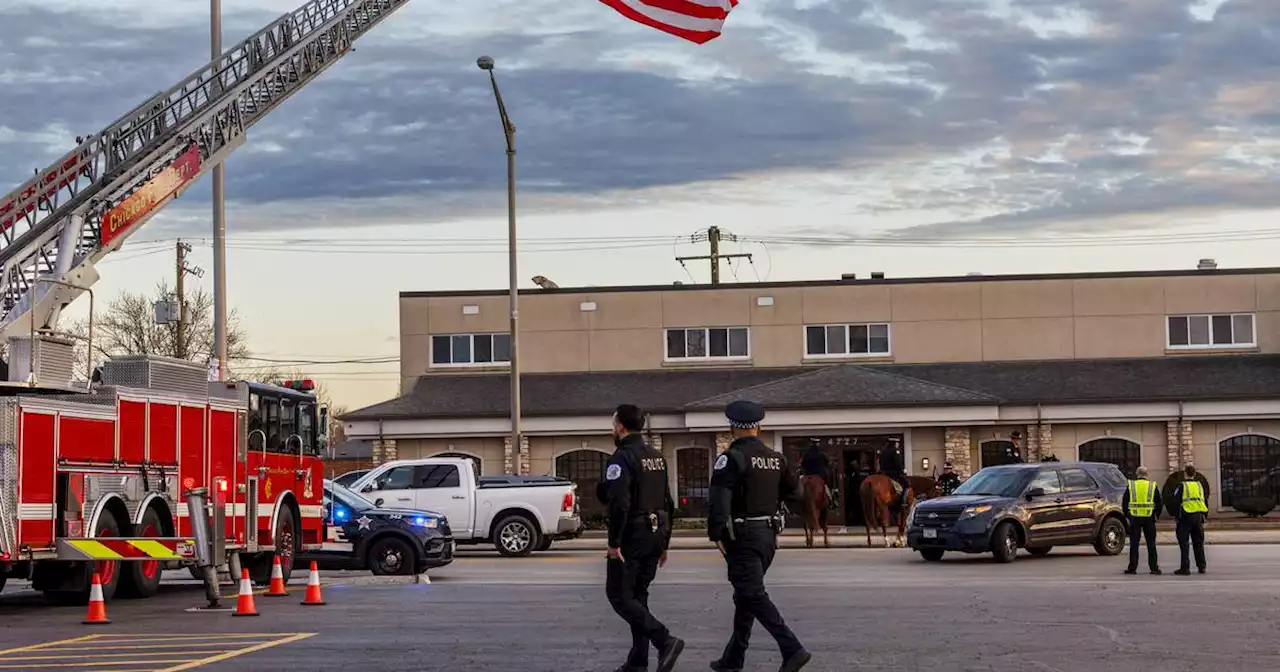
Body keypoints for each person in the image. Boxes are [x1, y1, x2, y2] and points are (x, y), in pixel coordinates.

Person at [707, 400, 812, 672]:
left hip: (742, 536)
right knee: (745, 595)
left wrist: (716, 532)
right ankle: (733, 657)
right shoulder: (776, 458)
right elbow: (796, 493)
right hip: (768, 536)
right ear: (759, 428)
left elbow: (719, 498)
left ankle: (792, 648)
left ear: (732, 427)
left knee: (752, 593)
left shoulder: (730, 458)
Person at [599, 404, 684, 672]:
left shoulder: (621, 458)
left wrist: (614, 544)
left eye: (613, 424)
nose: (613, 429)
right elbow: (669, 503)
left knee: (619, 596)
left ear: (621, 427)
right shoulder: (656, 456)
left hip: (633, 536)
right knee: (638, 596)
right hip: (656, 533)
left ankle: (664, 640)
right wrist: (665, 543)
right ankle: (638, 661)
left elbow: (619, 504)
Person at [1122, 466, 1162, 575]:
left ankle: (1132, 568)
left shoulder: (1131, 485)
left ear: (1137, 474)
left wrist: (1128, 516)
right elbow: (1159, 503)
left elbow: (1125, 503)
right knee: (1151, 544)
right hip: (1149, 518)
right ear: (1147, 474)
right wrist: (1155, 515)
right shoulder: (1152, 486)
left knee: (1134, 544)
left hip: (1135, 518)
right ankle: (1154, 568)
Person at [1169, 464, 1208, 575]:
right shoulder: (1199, 486)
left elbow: (1175, 502)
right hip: (1198, 517)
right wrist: (1205, 516)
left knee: (1184, 544)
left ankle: (1185, 568)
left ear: (1185, 474)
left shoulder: (1182, 486)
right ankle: (1202, 566)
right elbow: (1204, 501)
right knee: (1199, 543)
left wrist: (1176, 517)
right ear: (1194, 474)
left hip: (1186, 517)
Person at [879, 437, 910, 511]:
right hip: (893, 473)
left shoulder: (883, 451)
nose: (898, 445)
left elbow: (880, 462)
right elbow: (897, 463)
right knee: (906, 484)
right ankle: (903, 502)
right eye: (897, 443)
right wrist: (902, 470)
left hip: (883, 473)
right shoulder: (895, 451)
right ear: (895, 443)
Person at [799, 438, 833, 504]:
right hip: (819, 475)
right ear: (818, 443)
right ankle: (830, 499)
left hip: (807, 476)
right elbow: (827, 463)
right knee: (825, 486)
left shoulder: (806, 454)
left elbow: (802, 464)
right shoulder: (821, 454)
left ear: (811, 443)